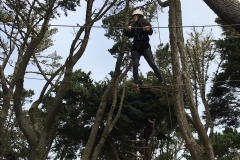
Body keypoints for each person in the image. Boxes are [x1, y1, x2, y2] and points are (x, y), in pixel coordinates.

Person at [123, 9, 168, 93]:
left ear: (139, 16)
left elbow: (150, 32)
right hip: (136, 48)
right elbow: (128, 35)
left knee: (152, 64)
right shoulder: (133, 26)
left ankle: (163, 82)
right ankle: (136, 84)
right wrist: (127, 30)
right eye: (133, 16)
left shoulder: (145, 22)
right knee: (135, 64)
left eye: (135, 16)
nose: (134, 18)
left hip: (145, 47)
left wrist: (148, 29)